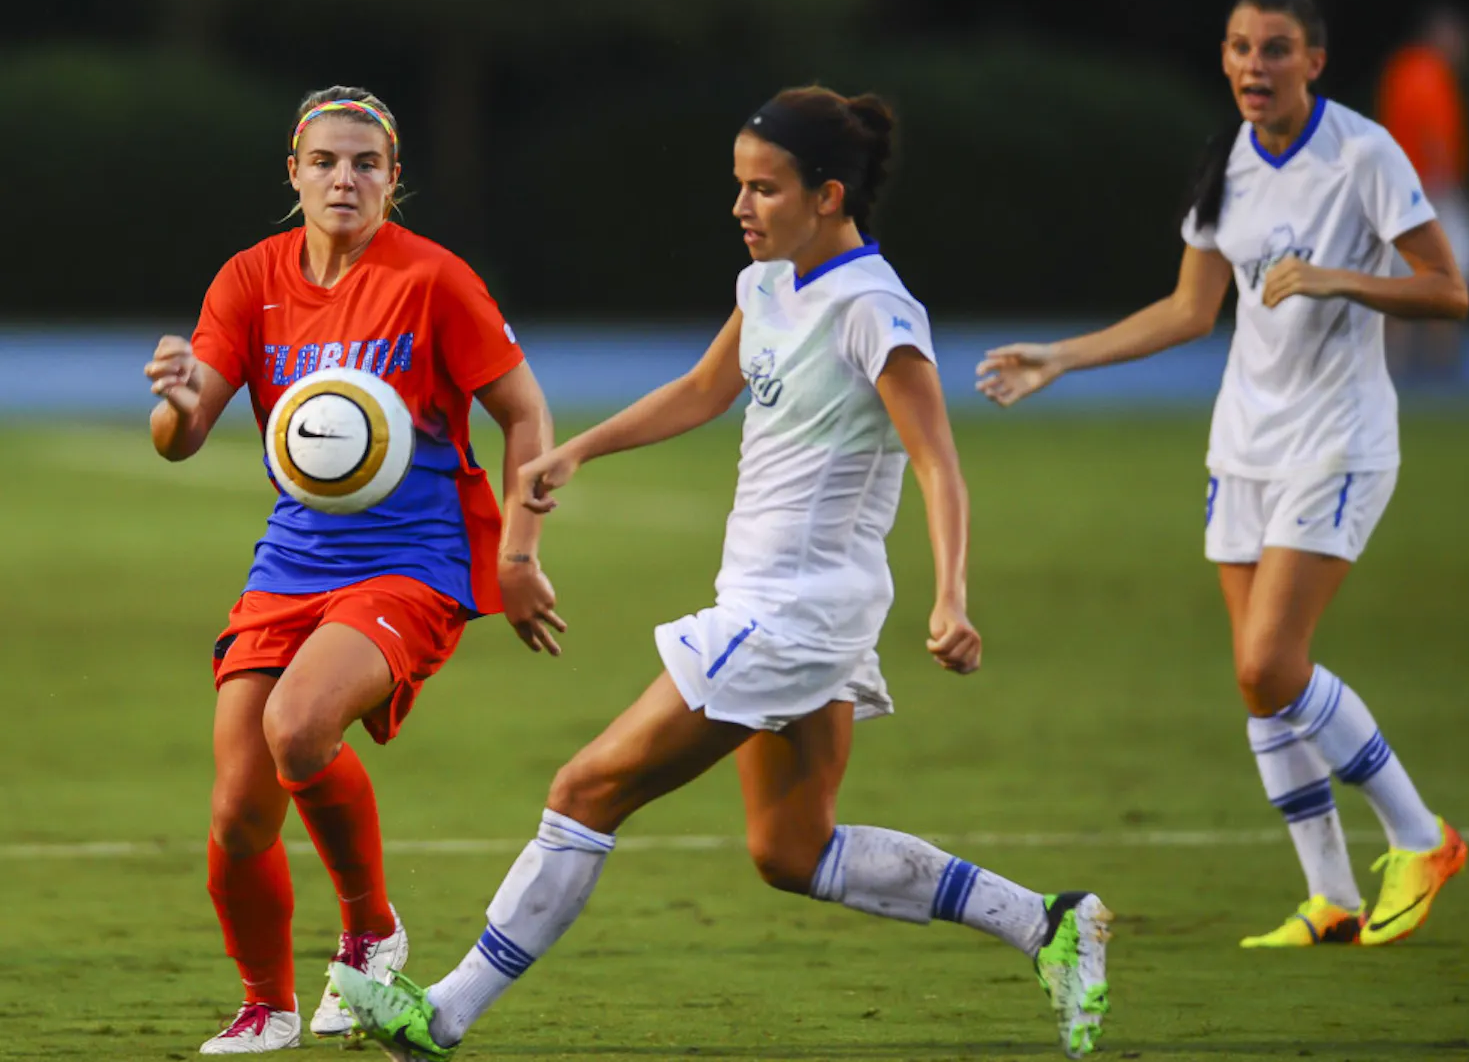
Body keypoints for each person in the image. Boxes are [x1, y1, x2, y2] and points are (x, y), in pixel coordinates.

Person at [331, 85, 1112, 1061]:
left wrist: (952, 595)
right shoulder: (767, 287)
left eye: (764, 189)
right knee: (793, 851)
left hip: (797, 611)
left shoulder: (874, 309)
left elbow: (937, 462)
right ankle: (1051, 923)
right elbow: (704, 391)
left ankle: (442, 1014)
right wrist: (579, 452)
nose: (741, 208)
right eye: (738, 187)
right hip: (774, 606)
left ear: (828, 195)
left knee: (584, 790)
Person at [976, 0, 1469, 949]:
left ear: (1314, 62)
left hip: (1337, 440)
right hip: (1242, 443)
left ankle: (1423, 836)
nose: (1255, 65)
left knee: (1269, 660)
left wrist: (1339, 278)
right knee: (1259, 685)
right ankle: (1329, 898)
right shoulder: (1229, 162)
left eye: (1277, 49)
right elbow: (1189, 310)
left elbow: (1447, 291)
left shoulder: (1363, 154)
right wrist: (1062, 356)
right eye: (1241, 47)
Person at [144, 86, 565, 1054]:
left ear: (393, 180)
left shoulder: (433, 280)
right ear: (292, 174)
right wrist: (171, 400)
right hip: (293, 561)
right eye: (326, 161)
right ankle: (268, 1006)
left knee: (298, 728)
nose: (345, 178)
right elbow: (182, 437)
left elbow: (526, 412)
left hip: (414, 564)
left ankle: (372, 933)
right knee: (238, 812)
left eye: (365, 164)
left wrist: (520, 553)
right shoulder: (249, 281)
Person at [1377, 3, 1469, 381]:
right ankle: (1442, 370)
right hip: (1431, 193)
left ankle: (1397, 366)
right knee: (1452, 277)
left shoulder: (1402, 69)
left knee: (1407, 281)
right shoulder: (1429, 73)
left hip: (1402, 192)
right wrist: (1447, 185)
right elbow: (1432, 136)